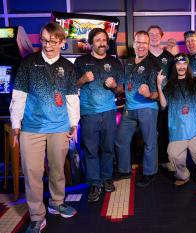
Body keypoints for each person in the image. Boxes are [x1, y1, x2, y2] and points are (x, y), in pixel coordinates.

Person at [10, 22, 80, 233]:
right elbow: (19, 95)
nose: (47, 45)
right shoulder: (29, 63)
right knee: (32, 173)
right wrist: (16, 124)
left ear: (61, 42)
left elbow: (72, 99)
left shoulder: (68, 67)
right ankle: (36, 216)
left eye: (52, 41)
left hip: (59, 127)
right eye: (43, 40)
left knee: (58, 168)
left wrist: (74, 124)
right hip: (32, 127)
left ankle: (57, 203)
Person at [74, 28, 123, 202]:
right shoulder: (81, 62)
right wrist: (83, 80)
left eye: (104, 40)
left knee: (108, 148)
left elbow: (120, 89)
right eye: (97, 40)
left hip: (109, 112)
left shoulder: (115, 63)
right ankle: (95, 182)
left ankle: (106, 177)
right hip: (88, 113)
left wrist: (115, 85)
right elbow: (72, 86)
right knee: (91, 150)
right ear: (90, 43)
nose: (102, 43)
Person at [157, 53, 196, 193]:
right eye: (178, 64)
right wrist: (159, 85)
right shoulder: (170, 85)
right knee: (173, 156)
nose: (181, 66)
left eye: (184, 64)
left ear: (187, 65)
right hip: (178, 129)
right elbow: (163, 105)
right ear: (175, 66)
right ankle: (183, 176)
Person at [115, 31, 159, 188]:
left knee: (149, 142)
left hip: (147, 108)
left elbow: (157, 95)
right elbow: (122, 86)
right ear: (134, 43)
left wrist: (149, 94)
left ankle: (149, 172)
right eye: (138, 42)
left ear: (148, 45)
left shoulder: (153, 65)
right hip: (129, 107)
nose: (141, 46)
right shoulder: (127, 62)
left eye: (145, 43)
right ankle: (124, 170)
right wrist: (114, 86)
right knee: (121, 140)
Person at [147, 25, 175, 171]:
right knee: (148, 132)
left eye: (157, 34)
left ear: (161, 36)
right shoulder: (143, 55)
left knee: (164, 130)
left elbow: (174, 79)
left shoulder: (169, 57)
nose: (154, 36)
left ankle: (164, 159)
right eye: (151, 34)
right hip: (147, 100)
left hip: (165, 101)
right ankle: (150, 161)